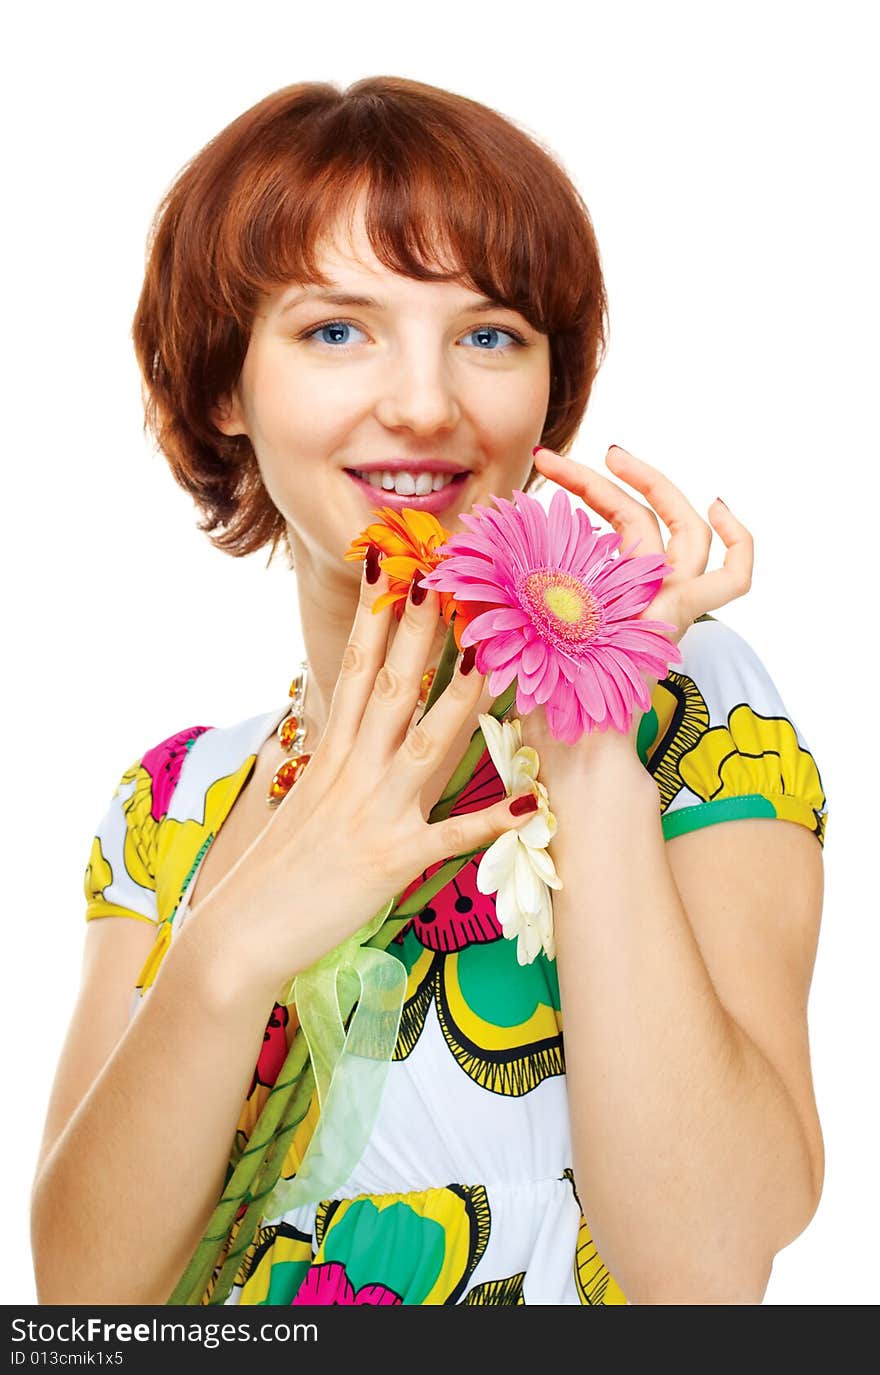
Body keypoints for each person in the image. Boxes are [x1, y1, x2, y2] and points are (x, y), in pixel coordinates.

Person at [30, 76, 828, 1307]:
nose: (422, 404)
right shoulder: (172, 799)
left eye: (489, 333)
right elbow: (82, 1302)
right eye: (335, 330)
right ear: (221, 389)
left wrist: (590, 744)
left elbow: (708, 1264)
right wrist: (242, 933)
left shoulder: (687, 706)